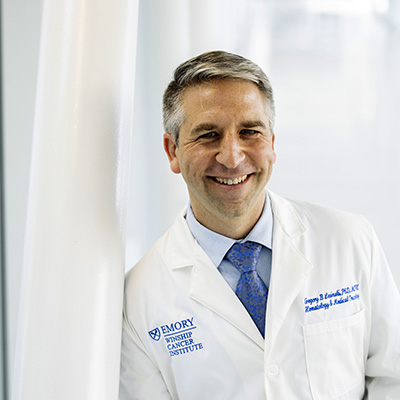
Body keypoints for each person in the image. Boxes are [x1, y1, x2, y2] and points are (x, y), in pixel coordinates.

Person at [119, 51, 400, 399]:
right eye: (208, 135)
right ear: (172, 151)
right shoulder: (138, 300)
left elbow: (393, 377)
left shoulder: (350, 240)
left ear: (271, 143)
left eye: (249, 131)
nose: (232, 157)